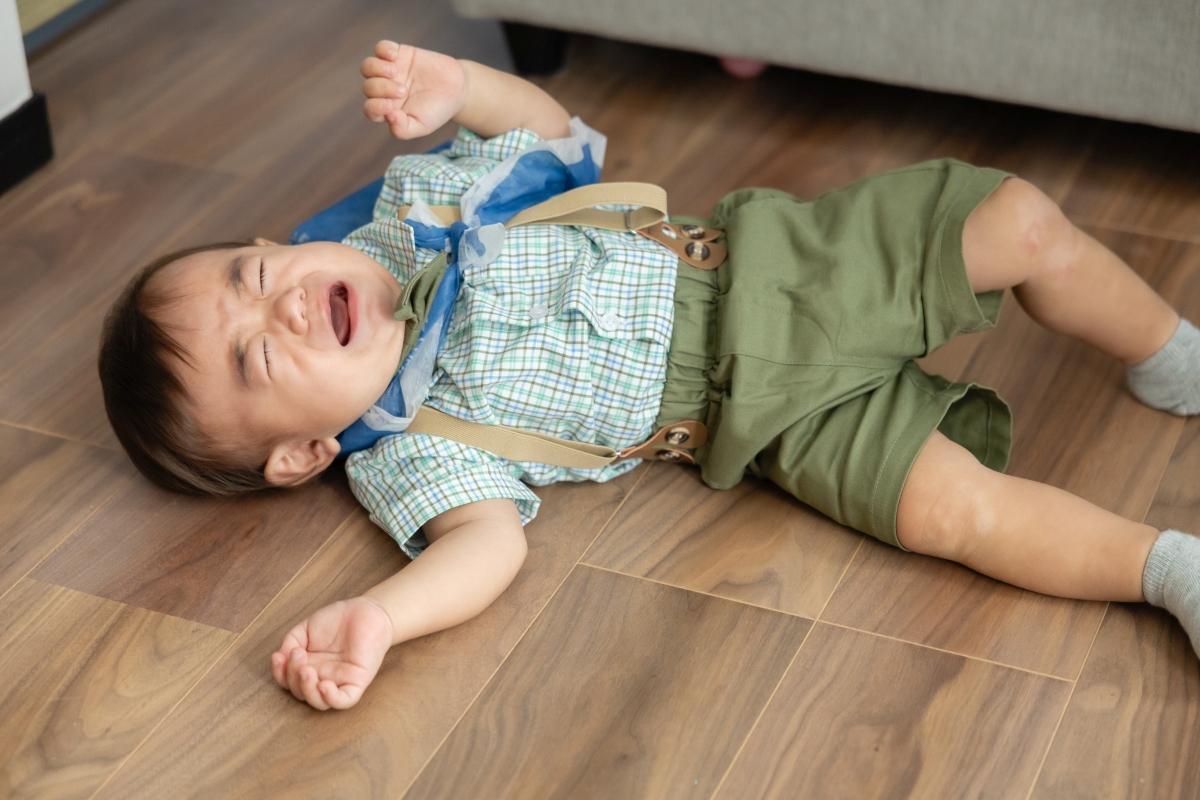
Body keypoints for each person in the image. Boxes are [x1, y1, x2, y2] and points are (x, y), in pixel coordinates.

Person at [97, 42, 1200, 711]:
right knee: (958, 513)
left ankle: (1167, 352)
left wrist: (462, 86)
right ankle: (1167, 572)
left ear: (277, 243)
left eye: (254, 274)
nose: (282, 304)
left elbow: (558, 136)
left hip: (775, 270)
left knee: (1019, 223)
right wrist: (383, 618)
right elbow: (487, 547)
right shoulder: (408, 448)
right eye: (258, 353)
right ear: (302, 453)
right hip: (760, 422)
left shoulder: (410, 207)